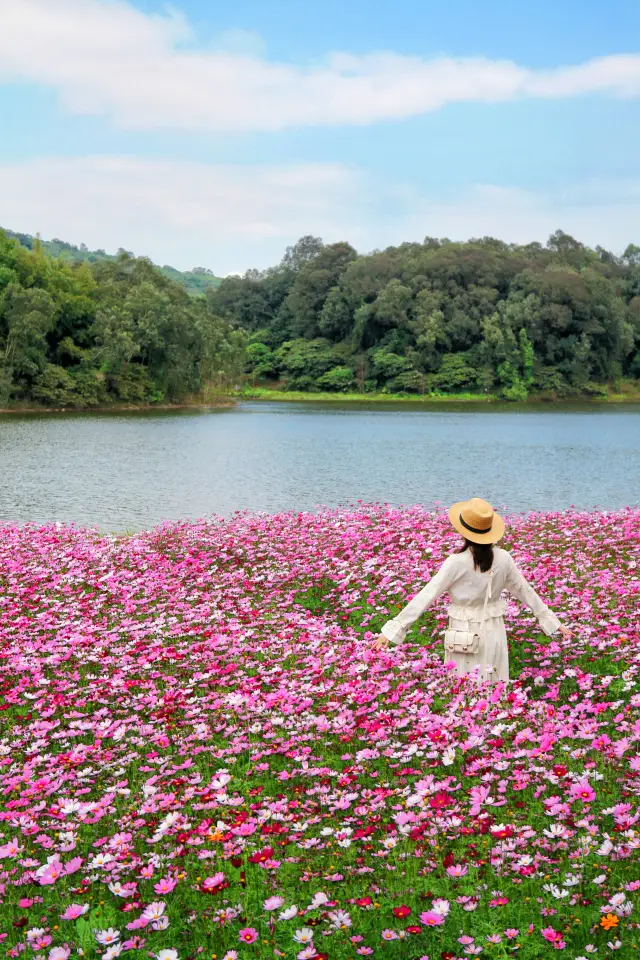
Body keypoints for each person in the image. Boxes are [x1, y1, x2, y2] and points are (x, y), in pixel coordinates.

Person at [372, 497, 572, 683]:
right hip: (493, 630)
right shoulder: (503, 558)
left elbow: (427, 595)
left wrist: (393, 630)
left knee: (464, 685)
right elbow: (524, 590)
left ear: (464, 532)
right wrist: (551, 620)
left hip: (463, 632)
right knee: (493, 682)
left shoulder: (457, 562)